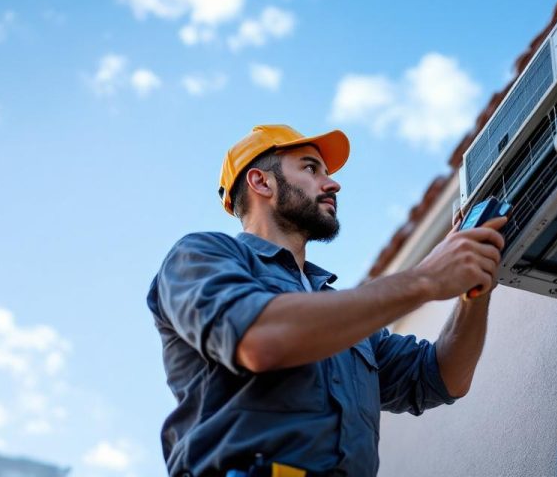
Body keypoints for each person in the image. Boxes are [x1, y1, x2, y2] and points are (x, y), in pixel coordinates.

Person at [147, 124, 506, 477]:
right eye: (309, 168)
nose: (332, 183)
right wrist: (427, 278)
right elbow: (260, 339)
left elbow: (443, 377)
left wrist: (474, 287)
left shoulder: (343, 317)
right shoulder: (200, 256)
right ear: (261, 182)